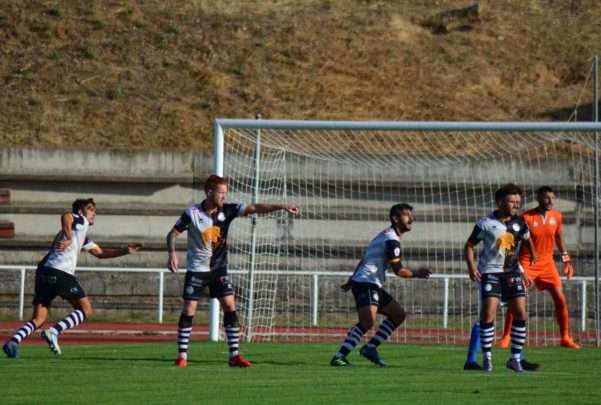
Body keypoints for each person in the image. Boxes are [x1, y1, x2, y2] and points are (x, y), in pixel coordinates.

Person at [167, 174, 300, 368]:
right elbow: (172, 234)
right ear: (209, 192)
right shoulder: (192, 213)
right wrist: (172, 254)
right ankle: (182, 356)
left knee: (230, 306)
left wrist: (281, 206)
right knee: (189, 310)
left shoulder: (227, 210)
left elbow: (254, 208)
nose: (224, 196)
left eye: (225, 193)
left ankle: (234, 355)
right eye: (221, 192)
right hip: (197, 270)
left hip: (219, 269)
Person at [2, 198, 144, 358]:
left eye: (95, 211)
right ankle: (53, 331)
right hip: (60, 271)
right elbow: (66, 216)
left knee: (39, 318)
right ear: (81, 212)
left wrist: (126, 250)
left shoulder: (80, 235)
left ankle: (13, 342)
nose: (94, 214)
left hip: (44, 271)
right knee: (86, 310)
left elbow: (100, 252)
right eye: (91, 210)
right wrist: (69, 237)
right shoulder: (81, 221)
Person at [330, 203, 431, 367]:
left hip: (370, 283)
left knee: (398, 315)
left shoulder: (385, 235)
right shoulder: (391, 240)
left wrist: (350, 280)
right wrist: (417, 273)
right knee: (367, 322)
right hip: (366, 283)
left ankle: (370, 348)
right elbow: (399, 271)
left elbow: (365, 259)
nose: (411, 218)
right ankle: (339, 356)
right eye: (407, 215)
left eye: (411, 215)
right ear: (395, 219)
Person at [463, 184, 537, 373]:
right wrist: (472, 267)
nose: (516, 205)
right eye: (512, 201)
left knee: (521, 313)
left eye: (518, 202)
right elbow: (469, 245)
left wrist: (532, 254)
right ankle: (487, 358)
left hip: (512, 273)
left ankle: (515, 359)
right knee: (488, 314)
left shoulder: (520, 222)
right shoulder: (485, 223)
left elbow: (527, 238)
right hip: (490, 272)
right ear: (500, 202)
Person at [498, 186, 580, 349]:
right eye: (546, 198)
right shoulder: (527, 217)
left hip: (547, 262)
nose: (550, 201)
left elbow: (559, 237)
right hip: (527, 262)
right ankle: (506, 336)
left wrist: (566, 259)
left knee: (560, 298)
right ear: (538, 199)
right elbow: (516, 240)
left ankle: (565, 337)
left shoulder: (557, 216)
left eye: (552, 198)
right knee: (516, 299)